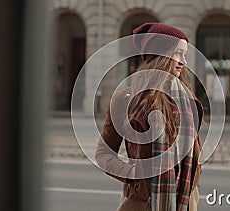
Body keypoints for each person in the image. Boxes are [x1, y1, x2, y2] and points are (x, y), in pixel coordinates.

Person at [95, 22, 204, 211]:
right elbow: (103, 154)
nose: (183, 62)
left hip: (186, 201)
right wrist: (134, 174)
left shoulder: (187, 100)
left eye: (184, 55)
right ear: (160, 55)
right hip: (141, 202)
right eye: (178, 53)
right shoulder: (126, 100)